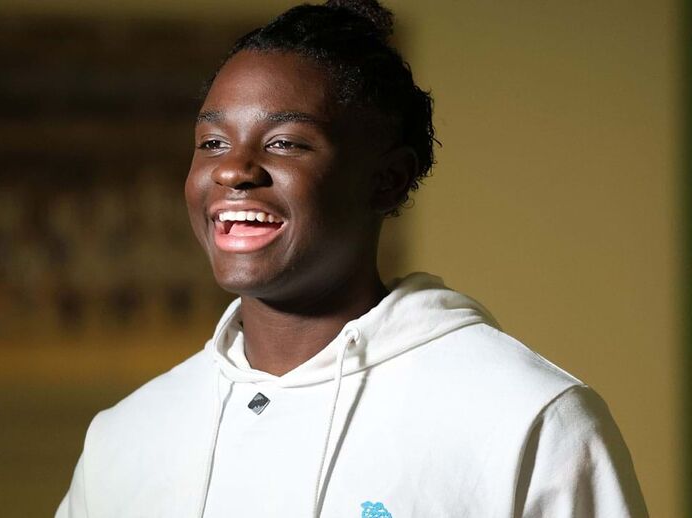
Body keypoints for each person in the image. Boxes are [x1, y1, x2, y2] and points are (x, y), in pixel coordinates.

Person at [56, 1, 648, 516]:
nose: (233, 169)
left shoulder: (528, 418)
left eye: (285, 142)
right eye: (212, 143)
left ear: (388, 180)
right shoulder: (125, 437)